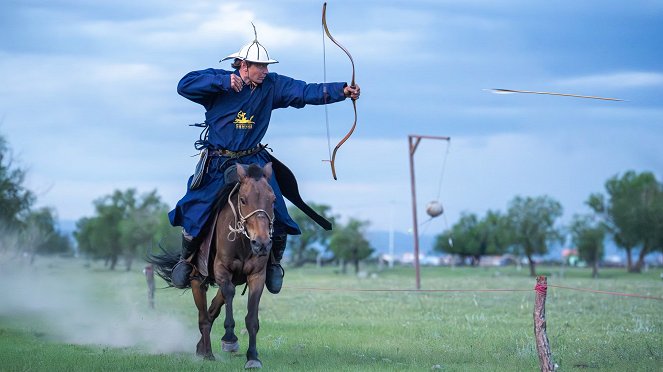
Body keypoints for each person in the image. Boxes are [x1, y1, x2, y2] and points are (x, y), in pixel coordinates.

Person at [168, 27, 360, 293]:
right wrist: (224, 83)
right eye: (260, 66)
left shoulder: (271, 86)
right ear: (243, 66)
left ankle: (273, 264)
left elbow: (304, 91)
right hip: (217, 162)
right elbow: (184, 84)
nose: (265, 71)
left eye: (267, 66)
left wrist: (342, 91)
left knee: (277, 209)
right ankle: (186, 261)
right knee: (194, 207)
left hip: (252, 162)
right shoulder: (218, 82)